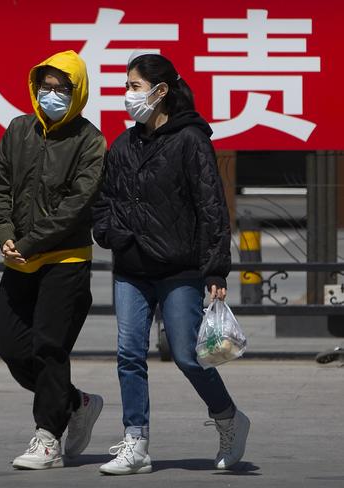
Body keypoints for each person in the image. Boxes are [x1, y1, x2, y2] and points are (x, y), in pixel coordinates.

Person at [92, 52, 250, 475]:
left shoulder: (191, 141)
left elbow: (211, 206)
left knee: (186, 354)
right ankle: (136, 441)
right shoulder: (123, 145)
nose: (128, 95)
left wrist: (216, 268)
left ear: (160, 92)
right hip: (131, 267)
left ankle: (229, 418)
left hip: (179, 266)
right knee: (128, 353)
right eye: (126, 86)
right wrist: (109, 234)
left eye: (134, 87)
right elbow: (104, 202)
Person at [0, 50, 106, 470]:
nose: (51, 95)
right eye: (45, 87)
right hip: (19, 258)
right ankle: (76, 402)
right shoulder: (18, 130)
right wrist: (4, 234)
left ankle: (47, 436)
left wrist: (32, 241)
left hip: (65, 259)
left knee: (50, 347)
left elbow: (77, 205)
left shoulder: (90, 141)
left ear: (78, 93)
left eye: (61, 88)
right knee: (10, 345)